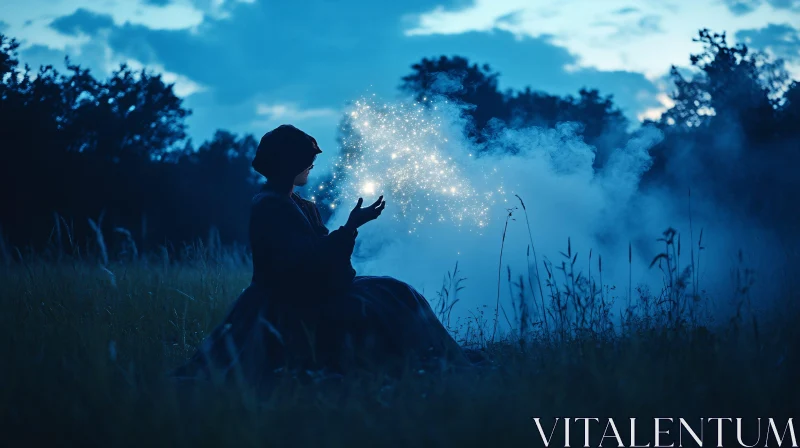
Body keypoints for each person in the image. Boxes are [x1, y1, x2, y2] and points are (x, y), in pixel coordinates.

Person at [172, 124, 470, 390]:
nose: (312, 165)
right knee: (384, 300)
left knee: (396, 291)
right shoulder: (270, 206)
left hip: (316, 287)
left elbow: (324, 252)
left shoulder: (301, 205)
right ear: (290, 163)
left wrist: (349, 230)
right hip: (288, 300)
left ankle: (434, 361)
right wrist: (351, 226)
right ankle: (404, 367)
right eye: (307, 160)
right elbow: (300, 260)